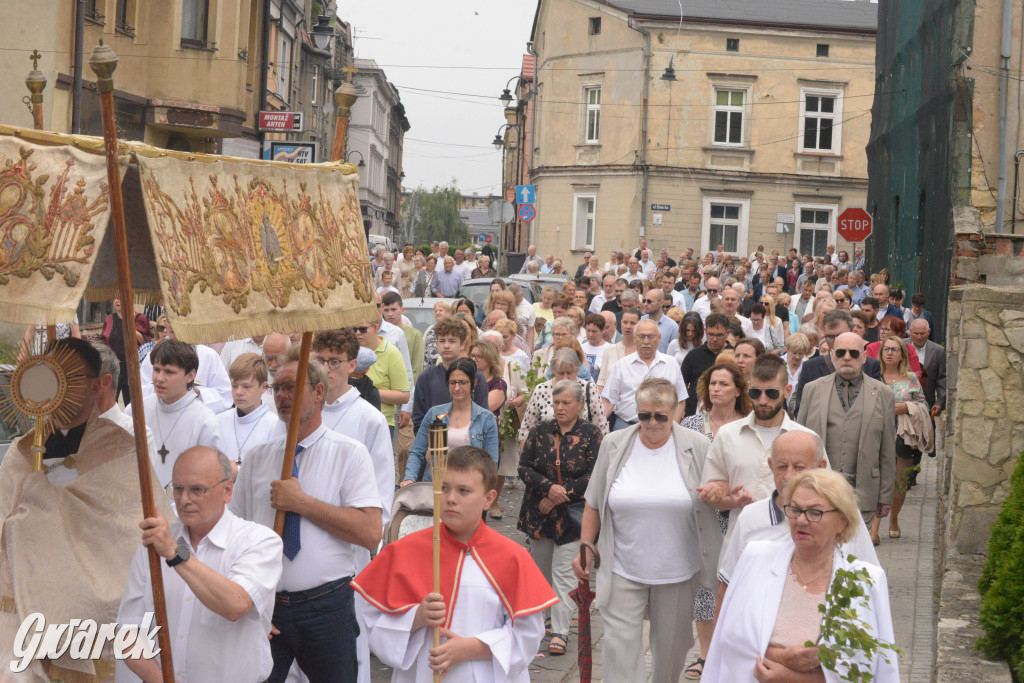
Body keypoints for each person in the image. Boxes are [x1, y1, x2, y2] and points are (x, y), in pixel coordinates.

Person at [0, 338, 171, 681]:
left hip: (96, 611)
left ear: (97, 386)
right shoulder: (21, 452)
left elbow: (132, 527)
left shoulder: (122, 447)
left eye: (72, 378)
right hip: (26, 604)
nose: (59, 388)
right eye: (53, 375)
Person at [230, 346, 383, 682]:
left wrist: (304, 504)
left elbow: (371, 532)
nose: (283, 395)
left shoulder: (349, 454)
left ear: (317, 392)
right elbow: (234, 533)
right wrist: (253, 602)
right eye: (278, 388)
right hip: (267, 609)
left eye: (291, 386)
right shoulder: (257, 458)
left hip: (326, 609)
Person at [356, 446, 555, 681]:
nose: (450, 499)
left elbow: (528, 633)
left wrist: (472, 648)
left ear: (488, 499)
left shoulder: (511, 557)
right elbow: (373, 621)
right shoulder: (407, 551)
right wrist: (416, 617)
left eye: (463, 491)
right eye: (445, 488)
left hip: (484, 672)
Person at [574, 379, 723, 683]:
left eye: (660, 416)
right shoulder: (614, 444)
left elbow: (715, 495)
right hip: (621, 566)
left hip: (678, 570)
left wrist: (726, 496)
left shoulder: (697, 445)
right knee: (619, 651)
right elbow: (594, 501)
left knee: (671, 653)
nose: (651, 423)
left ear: (674, 413)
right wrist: (585, 547)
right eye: (644, 415)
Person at [704, 469, 899, 683]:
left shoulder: (865, 580)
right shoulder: (755, 558)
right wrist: (781, 656)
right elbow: (729, 637)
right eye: (795, 509)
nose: (802, 520)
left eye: (815, 512)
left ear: (842, 521)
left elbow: (870, 666)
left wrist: (791, 678)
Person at [118, 447, 284, 682]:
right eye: (178, 489)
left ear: (227, 491)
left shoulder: (259, 541)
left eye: (197, 490)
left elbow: (234, 605)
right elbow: (127, 632)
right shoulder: (152, 548)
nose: (184, 500)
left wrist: (174, 554)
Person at [716, 431, 878, 599]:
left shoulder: (843, 516)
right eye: (782, 467)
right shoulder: (750, 517)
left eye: (799, 467)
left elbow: (870, 585)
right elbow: (727, 587)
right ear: (771, 466)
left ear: (820, 467)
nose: (789, 476)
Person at [517, 380, 602, 656]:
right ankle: (545, 619)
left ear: (580, 405)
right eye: (556, 403)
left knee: (564, 573)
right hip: (539, 513)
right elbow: (524, 467)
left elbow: (595, 473)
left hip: (574, 515)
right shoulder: (541, 431)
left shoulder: (591, 434)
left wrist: (559, 493)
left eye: (566, 403)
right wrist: (546, 488)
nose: (560, 408)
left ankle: (561, 632)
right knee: (542, 572)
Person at [678, 360, 751, 677]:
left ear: (738, 390)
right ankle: (705, 655)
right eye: (713, 384)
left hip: (739, 513)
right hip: (700, 513)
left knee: (737, 581)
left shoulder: (749, 425)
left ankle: (733, 650)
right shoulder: (691, 426)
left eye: (724, 384)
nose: (717, 389)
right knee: (705, 586)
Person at [798, 333, 896, 541]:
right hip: (820, 489)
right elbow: (800, 443)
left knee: (854, 553)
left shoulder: (883, 394)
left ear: (863, 357)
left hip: (863, 491)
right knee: (821, 548)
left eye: (853, 353)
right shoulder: (812, 390)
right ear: (833, 356)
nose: (847, 358)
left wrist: (886, 496)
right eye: (841, 353)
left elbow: (887, 450)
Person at [127, 339, 223, 487]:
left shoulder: (205, 422)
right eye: (157, 369)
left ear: (190, 376)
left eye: (169, 372)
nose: (159, 379)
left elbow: (210, 480)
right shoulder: (136, 411)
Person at [403, 358, 501, 485]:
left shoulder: (486, 419)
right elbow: (417, 451)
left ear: (474, 383)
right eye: (452, 382)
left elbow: (491, 462)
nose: (457, 388)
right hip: (435, 485)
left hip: (470, 486)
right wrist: (409, 478)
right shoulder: (434, 414)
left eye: (462, 382)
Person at [877, 335, 930, 543]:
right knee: (878, 479)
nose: (889, 353)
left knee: (900, 481)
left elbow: (923, 405)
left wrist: (906, 407)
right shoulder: (873, 376)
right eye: (886, 349)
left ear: (902, 355)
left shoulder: (911, 378)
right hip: (878, 433)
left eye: (894, 350)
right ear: (881, 354)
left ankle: (893, 519)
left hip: (903, 435)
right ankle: (874, 524)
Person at [601, 320, 688, 429]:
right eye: (641, 336)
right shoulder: (622, 365)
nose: (646, 341)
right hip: (626, 426)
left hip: (663, 426)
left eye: (651, 336)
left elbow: (680, 400)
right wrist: (599, 427)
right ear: (634, 338)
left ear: (659, 338)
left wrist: (673, 426)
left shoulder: (671, 363)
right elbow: (608, 401)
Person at [793, 309, 882, 416]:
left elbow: (879, 407)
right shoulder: (811, 367)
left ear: (852, 331)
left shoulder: (871, 365)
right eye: (830, 336)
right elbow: (800, 410)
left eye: (840, 335)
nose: (836, 340)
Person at [412, 318, 490, 433]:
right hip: (435, 443)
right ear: (436, 344)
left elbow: (483, 415)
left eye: (452, 341)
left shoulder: (476, 376)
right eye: (442, 341)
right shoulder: (426, 378)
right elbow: (419, 419)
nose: (446, 346)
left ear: (462, 344)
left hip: (468, 442)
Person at [139, 322, 234, 414]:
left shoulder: (209, 356)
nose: (174, 324)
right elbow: (141, 392)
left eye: (179, 319)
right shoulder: (154, 355)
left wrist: (198, 393)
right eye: (169, 320)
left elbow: (225, 395)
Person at [518, 348, 609, 442]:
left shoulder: (589, 390)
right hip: (546, 451)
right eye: (561, 373)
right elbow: (526, 430)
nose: (565, 377)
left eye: (569, 373)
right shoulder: (541, 390)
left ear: (577, 370)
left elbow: (601, 428)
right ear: (553, 371)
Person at [469, 339, 510, 515]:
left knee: (482, 483)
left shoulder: (498, 384)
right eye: (472, 355)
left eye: (480, 356)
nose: (475, 359)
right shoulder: (465, 379)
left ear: (490, 359)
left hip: (486, 437)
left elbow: (485, 408)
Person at [218, 353, 280, 465]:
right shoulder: (219, 421)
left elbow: (273, 469)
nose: (238, 392)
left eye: (246, 386)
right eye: (234, 386)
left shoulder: (275, 425)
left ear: (263, 387)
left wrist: (238, 472)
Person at [355, 319, 411, 439]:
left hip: (381, 421)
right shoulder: (348, 352)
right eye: (354, 329)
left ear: (376, 328)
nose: (358, 333)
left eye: (363, 329)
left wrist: (369, 392)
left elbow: (404, 395)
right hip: (352, 420)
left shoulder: (391, 353)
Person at [102, 297, 152, 404]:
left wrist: (132, 330)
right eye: (114, 298)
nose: (116, 301)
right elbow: (103, 342)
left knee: (132, 405)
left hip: (132, 368)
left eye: (120, 297)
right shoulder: (109, 319)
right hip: (113, 368)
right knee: (110, 403)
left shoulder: (140, 318)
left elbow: (147, 343)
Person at [681, 313, 732, 416]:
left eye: (719, 335)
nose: (714, 339)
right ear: (705, 331)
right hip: (695, 413)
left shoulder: (734, 356)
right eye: (711, 334)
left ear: (727, 333)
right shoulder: (693, 355)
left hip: (727, 413)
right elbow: (681, 385)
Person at [908, 318, 946, 423]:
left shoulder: (938, 351)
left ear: (929, 332)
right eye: (916, 333)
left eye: (922, 333)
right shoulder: (901, 346)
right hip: (904, 402)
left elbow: (942, 379)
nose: (919, 337)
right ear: (910, 332)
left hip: (927, 405)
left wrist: (940, 402)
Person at [866, 315, 923, 384]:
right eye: (881, 328)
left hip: (904, 387)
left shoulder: (908, 347)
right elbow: (869, 372)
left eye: (886, 329)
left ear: (897, 333)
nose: (882, 332)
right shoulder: (871, 347)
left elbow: (916, 373)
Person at [641, 288, 679, 353]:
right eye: (644, 301)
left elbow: (675, 351)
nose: (645, 304)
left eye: (649, 301)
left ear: (661, 303)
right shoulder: (640, 322)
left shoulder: (672, 326)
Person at [783, 332, 811, 414]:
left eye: (800, 353)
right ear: (787, 349)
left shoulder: (808, 366)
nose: (797, 357)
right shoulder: (778, 363)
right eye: (794, 353)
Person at [579, 313, 610, 382]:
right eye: (588, 330)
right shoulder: (580, 348)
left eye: (594, 331)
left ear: (602, 331)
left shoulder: (609, 349)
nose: (590, 334)